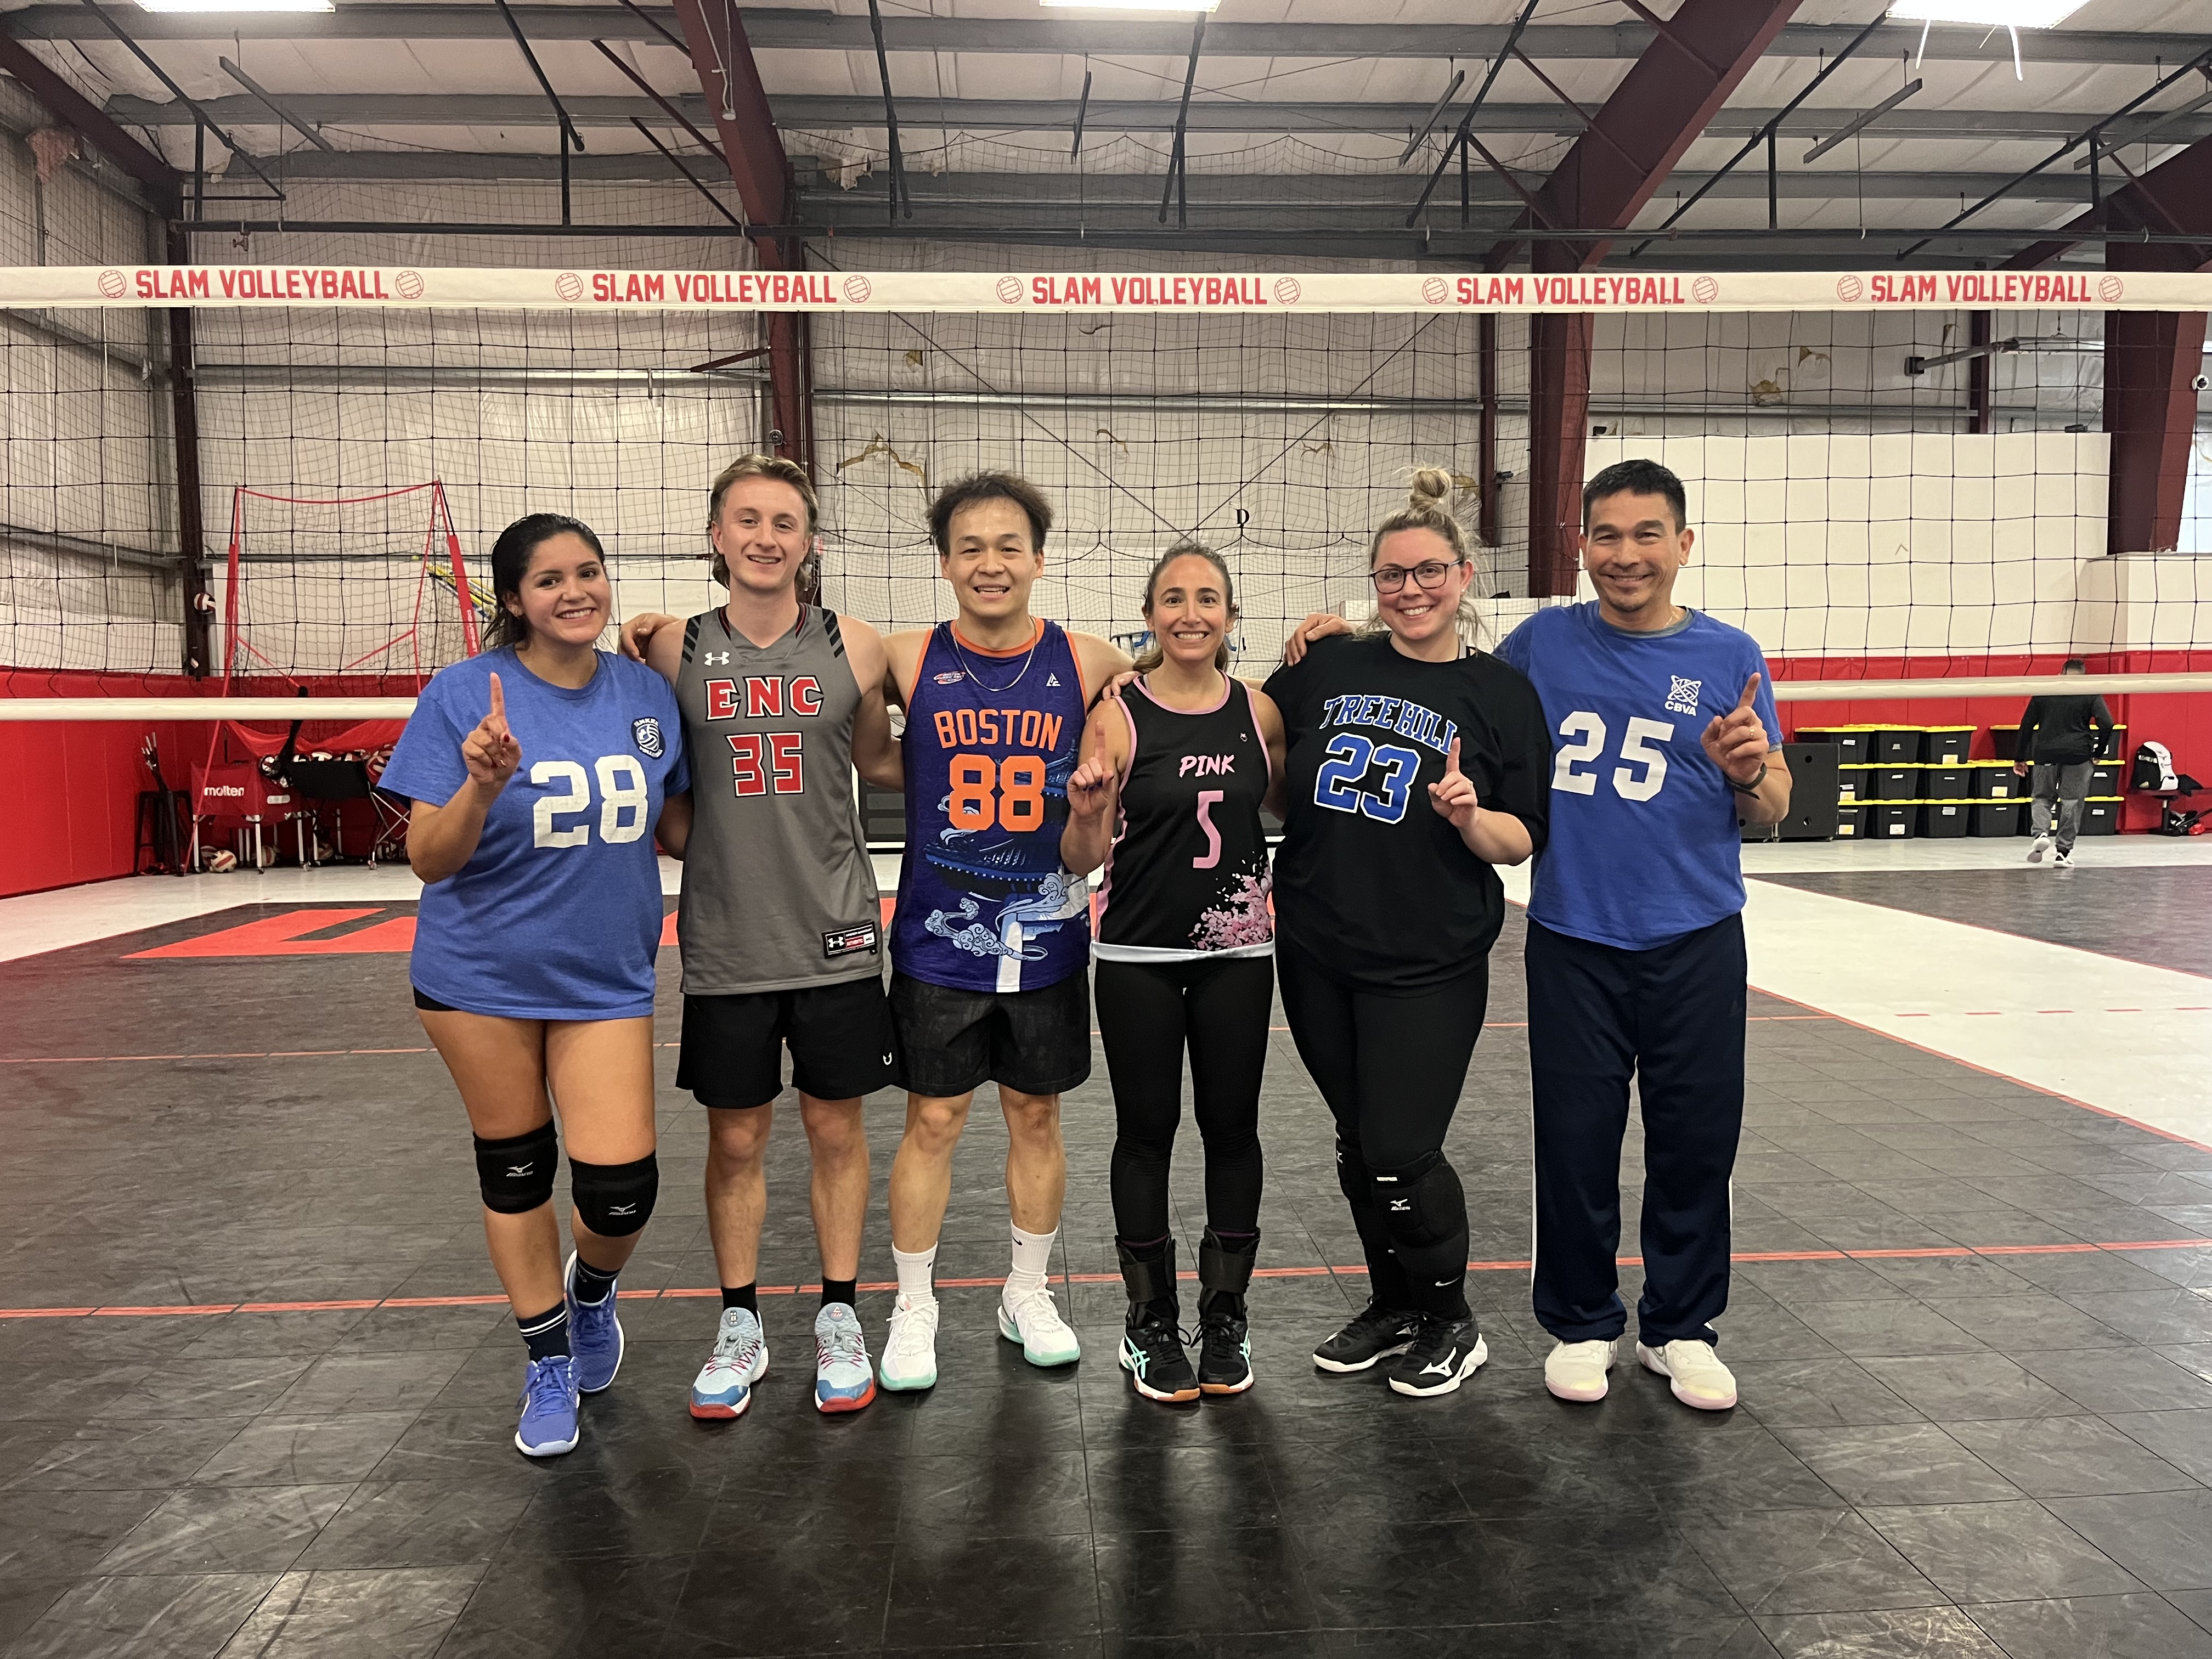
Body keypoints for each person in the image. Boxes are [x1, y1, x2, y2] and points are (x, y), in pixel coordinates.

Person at [383, 514, 691, 1458]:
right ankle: (547, 1356)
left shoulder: (645, 692)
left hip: (604, 977)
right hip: (479, 975)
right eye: (549, 579)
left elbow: (680, 824)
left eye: (587, 572)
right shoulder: (461, 694)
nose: (574, 592)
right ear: (513, 599)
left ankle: (591, 1292)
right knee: (516, 1167)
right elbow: (429, 859)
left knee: (621, 1191)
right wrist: (480, 785)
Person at [1496, 457, 1789, 1413]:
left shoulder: (1729, 654)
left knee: (1696, 1139)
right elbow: (1452, 688)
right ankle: (1582, 1321)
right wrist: (1346, 644)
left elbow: (1775, 805)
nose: (1626, 555)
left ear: (1683, 544)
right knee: (1575, 1139)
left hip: (1695, 935)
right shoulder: (1540, 642)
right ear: (1580, 544)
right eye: (1607, 536)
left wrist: (1749, 770)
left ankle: (1680, 1328)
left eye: (1646, 534)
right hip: (1574, 933)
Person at [617, 454, 903, 1420]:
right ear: (717, 535)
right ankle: (739, 1323)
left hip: (835, 932)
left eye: (785, 522)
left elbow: (904, 739)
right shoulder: (672, 647)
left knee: (835, 1127)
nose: (765, 537)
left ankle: (838, 1314)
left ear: (809, 542)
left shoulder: (857, 644)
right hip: (728, 936)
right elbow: (657, 772)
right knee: (735, 1136)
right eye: (747, 519)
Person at [1268, 470, 1551, 1398]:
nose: (1410, 589)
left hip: (1428, 960)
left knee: (1400, 1150)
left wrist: (1470, 815)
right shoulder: (1327, 666)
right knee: (1358, 1142)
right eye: (1391, 574)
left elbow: (1520, 839)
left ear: (1464, 576)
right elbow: (1250, 738)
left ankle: (1452, 1319)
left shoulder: (1500, 694)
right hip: (1316, 950)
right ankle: (1395, 1304)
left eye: (1429, 571)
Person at [876, 473, 1135, 1391]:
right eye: (971, 548)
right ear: (946, 563)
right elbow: (828, 695)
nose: (990, 563)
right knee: (933, 1118)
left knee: (1036, 1114)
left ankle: (1025, 1291)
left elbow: (1163, 683)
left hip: (1048, 934)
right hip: (939, 937)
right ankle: (914, 1304)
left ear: (1038, 558)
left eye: (1008, 546)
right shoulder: (906, 656)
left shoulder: (1088, 659)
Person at [1062, 543, 1287, 1403]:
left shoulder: (1258, 711)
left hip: (1237, 953)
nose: (1190, 614)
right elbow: (1083, 856)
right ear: (1150, 613)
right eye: (1173, 599)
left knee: (1233, 1130)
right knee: (1145, 1132)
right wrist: (1087, 813)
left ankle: (1226, 1314)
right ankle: (1149, 1320)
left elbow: (1284, 805)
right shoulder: (1117, 713)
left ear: (1230, 614)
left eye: (1207, 598)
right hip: (1138, 954)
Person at [2016, 658, 2113, 870]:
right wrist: (2098, 753)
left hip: (2046, 754)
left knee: (2042, 797)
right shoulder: (2090, 693)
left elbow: (2026, 726)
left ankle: (2041, 834)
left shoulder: (2045, 692)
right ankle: (2063, 853)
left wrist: (2019, 758)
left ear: (2061, 672)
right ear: (2083, 675)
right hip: (2078, 755)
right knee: (2071, 802)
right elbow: (2107, 723)